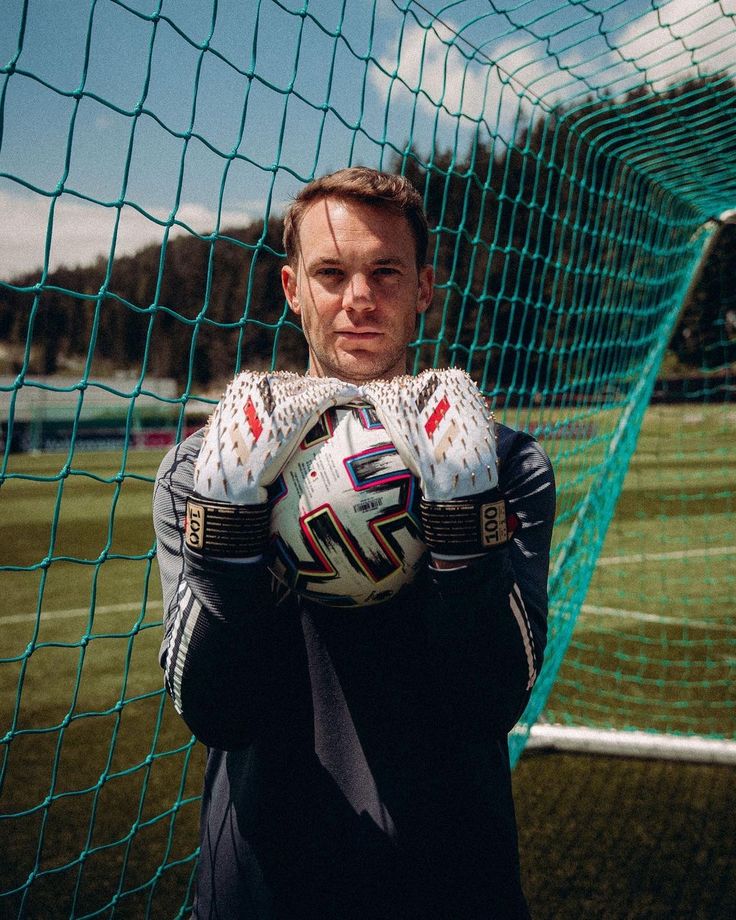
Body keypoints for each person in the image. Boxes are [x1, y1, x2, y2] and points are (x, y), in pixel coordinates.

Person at [153, 167, 555, 919]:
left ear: (425, 286)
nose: (359, 298)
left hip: (455, 886)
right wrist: (230, 533)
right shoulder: (203, 470)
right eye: (331, 273)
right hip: (266, 890)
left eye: (386, 272)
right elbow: (216, 713)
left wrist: (464, 522)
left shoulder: (504, 463)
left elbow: (489, 701)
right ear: (292, 288)